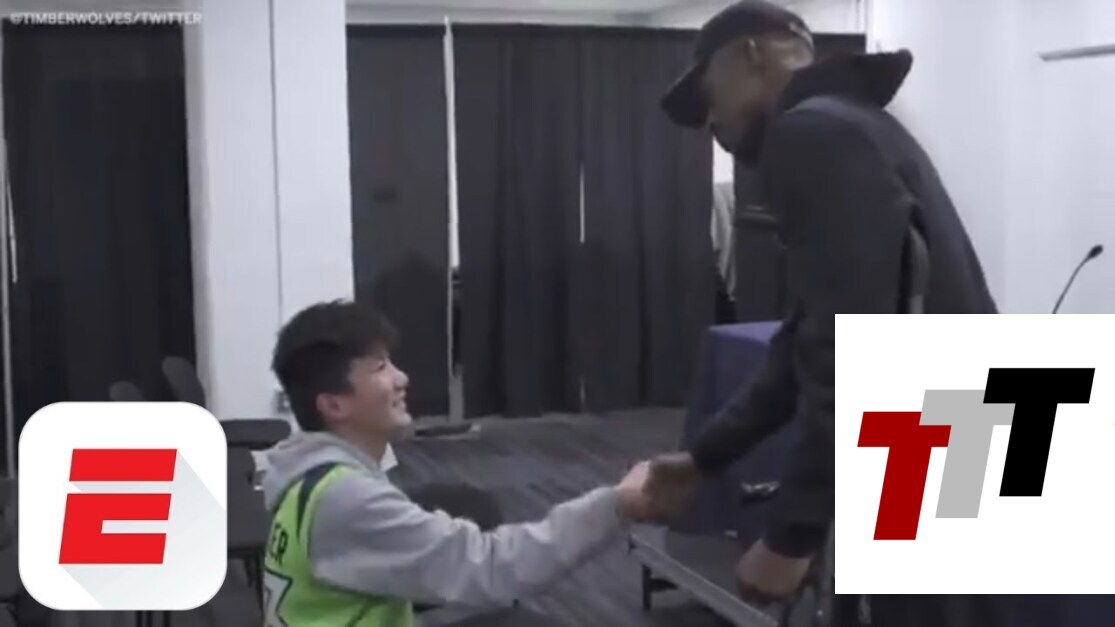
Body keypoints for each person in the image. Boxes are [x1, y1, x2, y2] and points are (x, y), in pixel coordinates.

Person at [644, 1, 1001, 624]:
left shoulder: (809, 134)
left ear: (752, 55)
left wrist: (793, 533)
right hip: (969, 418)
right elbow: (808, 332)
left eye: (709, 97)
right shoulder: (856, 123)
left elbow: (847, 344)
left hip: (937, 435)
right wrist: (706, 457)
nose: (712, 123)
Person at [260, 300, 652, 626]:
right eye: (380, 367)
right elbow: (491, 569)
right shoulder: (345, 497)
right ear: (333, 405)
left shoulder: (308, 476)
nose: (401, 378)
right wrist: (617, 504)